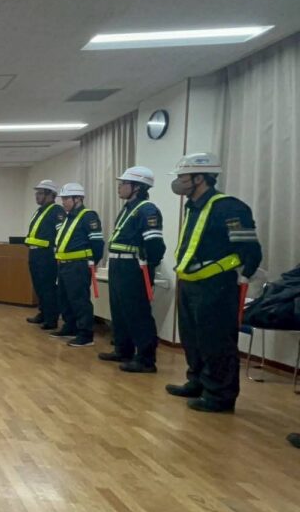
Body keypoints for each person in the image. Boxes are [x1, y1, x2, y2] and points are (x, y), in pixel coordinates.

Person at [166, 153, 262, 413]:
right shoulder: (193, 206)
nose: (178, 182)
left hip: (216, 285)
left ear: (200, 178)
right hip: (190, 283)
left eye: (182, 177)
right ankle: (197, 381)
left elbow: (250, 248)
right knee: (192, 338)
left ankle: (220, 396)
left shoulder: (230, 208)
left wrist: (246, 274)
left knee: (216, 341)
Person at [98, 167, 165, 373]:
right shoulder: (128, 208)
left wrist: (148, 264)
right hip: (118, 265)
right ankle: (123, 350)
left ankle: (145, 359)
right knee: (119, 311)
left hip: (134, 267)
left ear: (137, 187)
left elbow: (155, 245)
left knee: (137, 313)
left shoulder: (147, 210)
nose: (119, 187)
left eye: (123, 184)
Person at [51, 183, 105, 347]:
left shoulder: (88, 216)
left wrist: (92, 262)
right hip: (64, 265)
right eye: (63, 198)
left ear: (78, 199)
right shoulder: (68, 217)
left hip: (79, 265)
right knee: (64, 298)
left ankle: (85, 334)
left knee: (79, 300)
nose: (63, 202)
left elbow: (97, 243)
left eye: (66, 198)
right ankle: (70, 326)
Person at [24, 180, 63, 330]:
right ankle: (43, 313)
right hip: (35, 253)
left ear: (50, 195)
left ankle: (51, 318)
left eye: (40, 193)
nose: (37, 196)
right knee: (38, 286)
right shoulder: (39, 211)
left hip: (47, 255)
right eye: (37, 193)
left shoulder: (56, 210)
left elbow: (60, 233)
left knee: (48, 287)